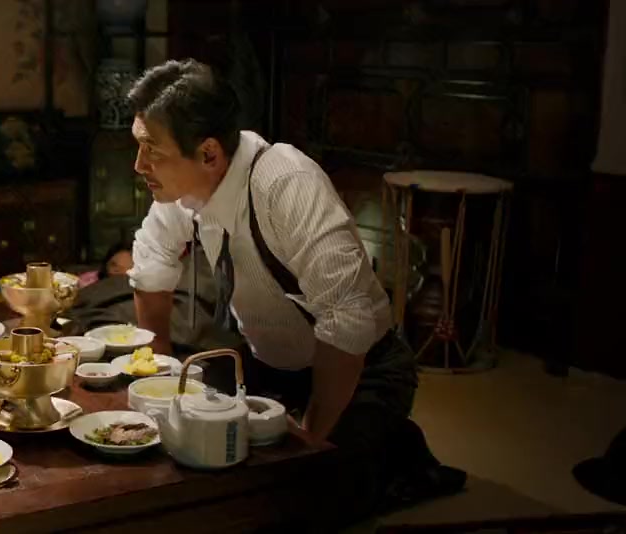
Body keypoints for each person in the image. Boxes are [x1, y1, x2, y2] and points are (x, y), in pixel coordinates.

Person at [125, 59, 464, 521]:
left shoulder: (285, 183)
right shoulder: (182, 187)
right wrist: (161, 381)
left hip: (364, 368)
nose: (138, 165)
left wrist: (309, 443)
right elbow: (151, 264)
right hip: (268, 364)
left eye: (152, 151)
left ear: (208, 154)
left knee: (301, 502)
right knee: (192, 452)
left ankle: (394, 450)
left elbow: (348, 319)